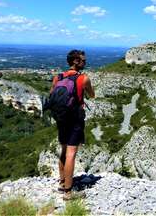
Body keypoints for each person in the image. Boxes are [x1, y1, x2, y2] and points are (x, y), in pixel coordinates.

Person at [50, 49, 95, 200]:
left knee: (63, 150)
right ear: (76, 61)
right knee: (71, 153)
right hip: (75, 119)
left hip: (61, 118)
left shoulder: (58, 77)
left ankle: (62, 183)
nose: (85, 62)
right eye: (83, 60)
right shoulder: (83, 78)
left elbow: (52, 96)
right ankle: (69, 192)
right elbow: (92, 95)